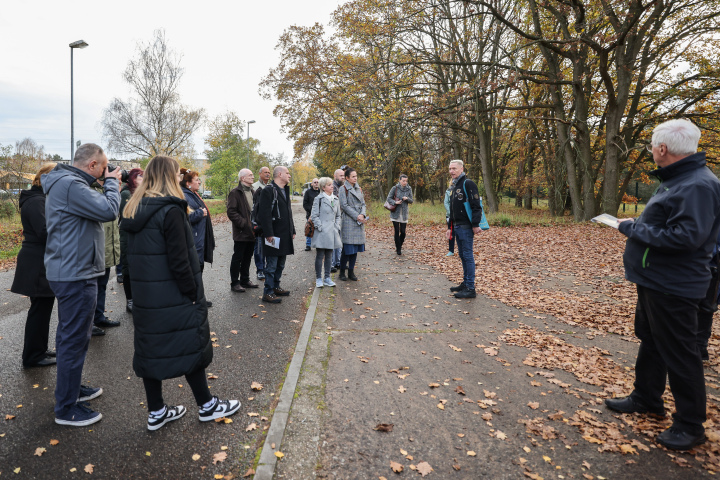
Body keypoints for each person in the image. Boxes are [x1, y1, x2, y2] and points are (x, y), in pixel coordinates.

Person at [604, 119, 720, 451]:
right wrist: (638, 223)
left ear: (663, 149)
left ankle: (690, 424)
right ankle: (646, 397)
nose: (651, 150)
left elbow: (686, 237)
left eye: (652, 145)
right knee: (652, 340)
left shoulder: (696, 185)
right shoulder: (678, 179)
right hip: (655, 279)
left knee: (681, 353)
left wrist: (631, 229)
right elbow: (668, 222)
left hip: (675, 284)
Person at [121, 155, 240, 431]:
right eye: (176, 174)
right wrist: (192, 292)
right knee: (190, 344)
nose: (179, 178)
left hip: (147, 297)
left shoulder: (134, 207)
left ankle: (156, 411)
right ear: (167, 176)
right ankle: (208, 406)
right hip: (173, 293)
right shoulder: (171, 209)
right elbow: (179, 260)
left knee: (150, 351)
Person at [42, 143, 121, 426]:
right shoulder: (71, 185)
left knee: (74, 336)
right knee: (73, 339)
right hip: (75, 273)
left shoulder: (69, 183)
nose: (106, 171)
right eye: (104, 167)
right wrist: (112, 184)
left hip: (74, 269)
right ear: (93, 165)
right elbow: (109, 210)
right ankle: (66, 408)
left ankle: (71, 390)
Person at [11, 162, 57, 368]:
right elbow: (45, 232)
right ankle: (32, 356)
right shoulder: (36, 201)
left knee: (43, 308)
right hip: (37, 262)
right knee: (39, 309)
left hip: (39, 260)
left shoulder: (39, 199)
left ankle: (38, 349)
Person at [257, 166, 296, 304]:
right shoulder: (269, 190)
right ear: (280, 174)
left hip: (285, 233)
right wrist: (268, 233)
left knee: (280, 263)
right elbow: (264, 214)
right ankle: (267, 292)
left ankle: (275, 286)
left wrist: (293, 230)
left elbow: (288, 212)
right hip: (273, 235)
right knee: (272, 265)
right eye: (287, 173)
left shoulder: (285, 190)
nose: (289, 176)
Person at [446, 160, 483, 299]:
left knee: (467, 256)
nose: (451, 171)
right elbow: (452, 210)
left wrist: (475, 224)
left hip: (466, 227)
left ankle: (470, 288)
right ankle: (466, 283)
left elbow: (476, 205)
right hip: (456, 226)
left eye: (454, 168)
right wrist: (449, 227)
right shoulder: (454, 186)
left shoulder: (468, 183)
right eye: (450, 169)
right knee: (462, 256)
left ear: (461, 169)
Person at [91, 177, 122, 335]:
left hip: (108, 250)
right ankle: (89, 323)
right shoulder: (92, 191)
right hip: (96, 251)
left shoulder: (107, 192)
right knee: (92, 288)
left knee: (101, 286)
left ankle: (99, 316)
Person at [180, 168, 216, 307]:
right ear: (188, 183)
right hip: (194, 240)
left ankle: (198, 297)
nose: (199, 182)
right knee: (195, 270)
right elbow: (184, 217)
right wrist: (200, 213)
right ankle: (194, 299)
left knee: (198, 270)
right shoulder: (185, 196)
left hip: (199, 239)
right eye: (196, 180)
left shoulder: (192, 194)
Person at [227, 169, 260, 293]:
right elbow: (231, 212)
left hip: (253, 231)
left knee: (248, 257)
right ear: (242, 178)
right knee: (238, 257)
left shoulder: (253, 191)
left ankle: (245, 280)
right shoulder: (235, 193)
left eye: (252, 175)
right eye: (250, 175)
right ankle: (235, 283)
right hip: (242, 232)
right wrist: (245, 224)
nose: (253, 177)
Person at [119, 168, 143, 314]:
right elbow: (126, 214)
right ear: (133, 178)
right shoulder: (126, 193)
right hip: (127, 235)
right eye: (140, 177)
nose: (143, 179)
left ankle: (137, 298)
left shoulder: (139, 193)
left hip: (136, 234)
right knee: (127, 267)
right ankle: (130, 300)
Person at [310, 177, 342, 288]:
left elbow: (338, 216)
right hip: (321, 231)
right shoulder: (318, 199)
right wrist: (320, 227)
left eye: (332, 184)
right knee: (320, 255)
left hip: (332, 231)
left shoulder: (336, 199)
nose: (332, 186)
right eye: (329, 185)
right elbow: (314, 215)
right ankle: (319, 278)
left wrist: (337, 226)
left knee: (329, 255)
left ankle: (327, 278)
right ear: (323, 187)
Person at [338, 167, 367, 281]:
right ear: (347, 178)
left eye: (356, 176)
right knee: (347, 249)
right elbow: (344, 206)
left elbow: (363, 204)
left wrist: (363, 215)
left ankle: (351, 272)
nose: (355, 178)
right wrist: (357, 216)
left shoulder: (359, 189)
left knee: (355, 249)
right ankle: (341, 272)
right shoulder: (343, 189)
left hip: (359, 222)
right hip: (349, 222)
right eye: (353, 176)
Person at [697, 231, 720, 361]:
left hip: (709, 265)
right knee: (705, 308)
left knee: (704, 308)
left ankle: (699, 348)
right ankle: (699, 348)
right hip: (709, 264)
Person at [387, 174, 414, 255]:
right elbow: (388, 198)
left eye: (406, 181)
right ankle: (398, 249)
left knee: (403, 232)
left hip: (404, 213)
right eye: (403, 181)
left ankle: (399, 245)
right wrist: (395, 202)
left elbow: (412, 200)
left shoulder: (409, 189)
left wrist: (407, 199)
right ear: (399, 180)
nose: (405, 182)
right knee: (396, 230)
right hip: (395, 212)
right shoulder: (394, 188)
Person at [253, 166, 272, 280]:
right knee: (259, 247)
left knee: (269, 246)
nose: (268, 174)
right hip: (259, 222)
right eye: (265, 172)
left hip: (269, 222)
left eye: (269, 172)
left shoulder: (271, 187)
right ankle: (260, 270)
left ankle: (268, 269)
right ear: (260, 173)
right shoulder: (254, 187)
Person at [331, 169, 345, 272]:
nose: (343, 177)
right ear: (335, 176)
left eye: (343, 176)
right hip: (332, 218)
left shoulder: (342, 187)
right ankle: (332, 264)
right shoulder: (332, 186)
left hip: (340, 217)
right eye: (341, 176)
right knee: (333, 242)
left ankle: (338, 262)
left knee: (339, 241)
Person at [303, 178, 320, 251]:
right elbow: (305, 204)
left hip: (320, 215)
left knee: (318, 229)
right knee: (309, 228)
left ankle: (318, 244)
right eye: (315, 182)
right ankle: (308, 244)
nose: (316, 183)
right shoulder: (308, 192)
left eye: (317, 182)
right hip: (310, 214)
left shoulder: (321, 191)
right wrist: (311, 211)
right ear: (312, 184)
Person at [444, 181, 455, 256]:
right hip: (450, 215)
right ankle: (451, 250)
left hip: (460, 216)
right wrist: (451, 213)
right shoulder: (448, 191)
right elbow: (446, 203)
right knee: (451, 232)